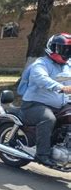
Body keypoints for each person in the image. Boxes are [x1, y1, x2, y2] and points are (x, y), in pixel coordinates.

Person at [20, 33, 71, 166]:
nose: (66, 52)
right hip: (34, 105)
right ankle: (42, 154)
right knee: (48, 119)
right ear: (52, 48)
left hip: (60, 105)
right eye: (63, 49)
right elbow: (42, 79)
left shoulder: (68, 65)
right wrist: (61, 87)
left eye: (69, 49)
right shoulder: (41, 63)